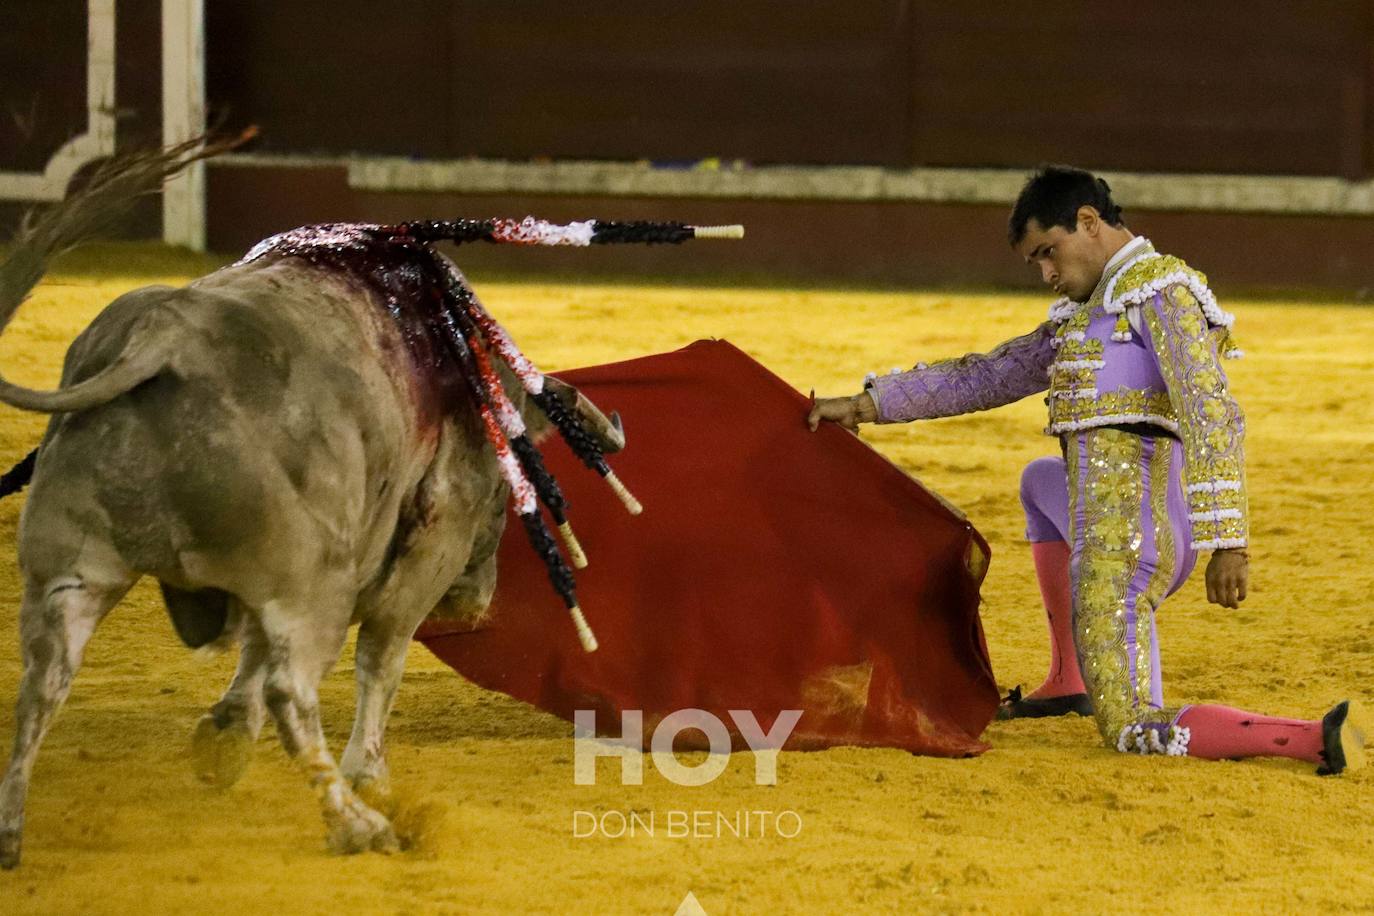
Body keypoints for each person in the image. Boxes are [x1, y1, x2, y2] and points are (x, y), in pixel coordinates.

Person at [807, 164, 1367, 773]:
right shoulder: (1086, 313)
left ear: (1088, 221)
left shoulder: (1160, 292)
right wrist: (865, 404)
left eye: (1050, 253)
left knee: (1130, 725)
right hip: (1102, 526)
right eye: (1036, 264)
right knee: (1039, 483)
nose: (1047, 274)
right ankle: (1068, 679)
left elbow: (1211, 414)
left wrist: (1228, 540)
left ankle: (1313, 736)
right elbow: (986, 374)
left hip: (1127, 551)